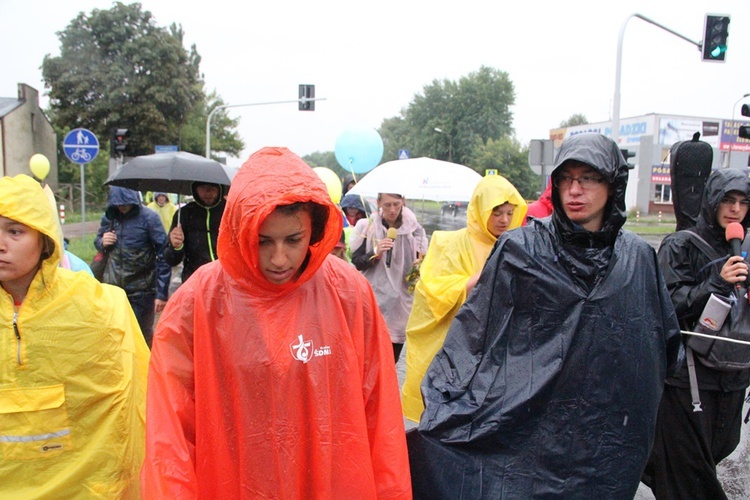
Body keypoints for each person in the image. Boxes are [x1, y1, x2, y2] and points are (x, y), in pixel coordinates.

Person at [408, 133, 683, 498]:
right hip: (525, 425)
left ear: (613, 183)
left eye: (588, 178)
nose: (574, 189)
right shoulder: (520, 250)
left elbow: (658, 346)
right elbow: (476, 335)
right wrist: (446, 402)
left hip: (601, 436)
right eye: (566, 178)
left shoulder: (636, 258)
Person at [142, 147, 411, 498]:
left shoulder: (347, 294)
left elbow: (380, 415)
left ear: (314, 231)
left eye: (293, 240)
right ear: (240, 229)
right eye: (263, 241)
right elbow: (170, 433)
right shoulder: (199, 303)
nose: (279, 258)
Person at [0, 174, 149, 497]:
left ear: (44, 239)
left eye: (15, 231)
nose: (1, 244)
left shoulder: (100, 306)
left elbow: (132, 400)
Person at [642, 168, 750, 499]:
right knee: (687, 471)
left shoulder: (745, 247)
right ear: (712, 201)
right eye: (728, 200)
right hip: (688, 379)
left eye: (744, 202)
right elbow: (665, 305)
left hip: (733, 377)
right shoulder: (681, 245)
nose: (735, 210)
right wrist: (715, 283)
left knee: (708, 457)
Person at [401, 175, 527, 423]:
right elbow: (432, 290)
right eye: (497, 212)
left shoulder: (517, 246)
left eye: (509, 213)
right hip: (454, 346)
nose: (504, 220)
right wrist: (474, 282)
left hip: (496, 351)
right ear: (481, 209)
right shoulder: (450, 243)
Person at [350, 193, 428, 362]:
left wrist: (419, 264)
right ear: (378, 203)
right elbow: (357, 262)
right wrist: (375, 253)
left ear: (403, 202)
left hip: (400, 305)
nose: (392, 210)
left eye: (396, 204)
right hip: (374, 299)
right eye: (387, 205)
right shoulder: (367, 227)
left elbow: (420, 270)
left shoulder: (416, 230)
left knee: (390, 361)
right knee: (368, 358)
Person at [95, 186, 171, 347]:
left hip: (142, 291)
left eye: (126, 203)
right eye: (118, 203)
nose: (122, 207)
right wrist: (102, 242)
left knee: (141, 336)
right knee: (115, 335)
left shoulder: (150, 218)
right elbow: (98, 242)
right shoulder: (110, 217)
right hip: (114, 288)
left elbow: (163, 255)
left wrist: (161, 293)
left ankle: (145, 370)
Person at [163, 181, 226, 283]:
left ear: (220, 188)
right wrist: (176, 246)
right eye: (203, 187)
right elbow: (171, 260)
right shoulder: (184, 214)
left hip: (227, 281)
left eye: (212, 187)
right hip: (194, 282)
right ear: (195, 189)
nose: (208, 192)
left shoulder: (230, 211)